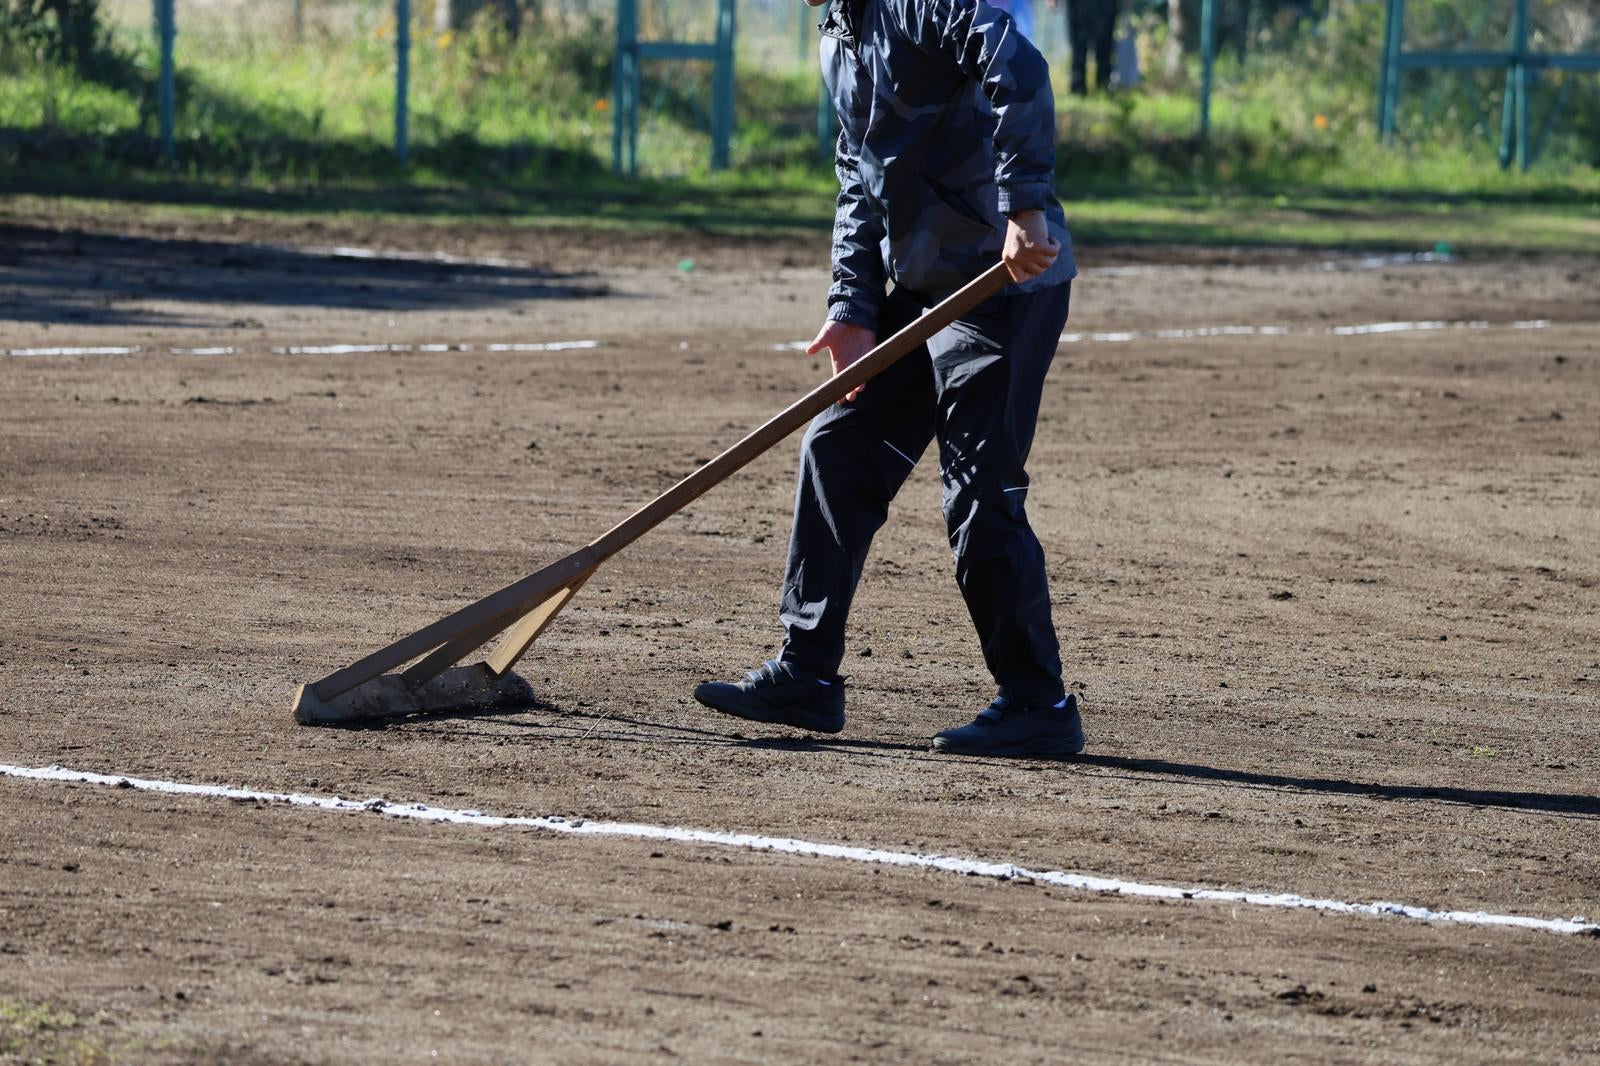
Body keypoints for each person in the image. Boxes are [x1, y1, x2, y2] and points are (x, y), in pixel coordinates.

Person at [693, 0, 1084, 759]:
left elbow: (1019, 64)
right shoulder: (838, 29)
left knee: (979, 495)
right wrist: (853, 306)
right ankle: (807, 675)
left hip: (1000, 285)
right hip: (917, 290)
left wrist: (1026, 206)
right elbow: (857, 174)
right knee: (837, 452)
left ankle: (1040, 703)